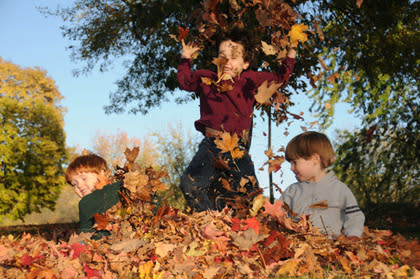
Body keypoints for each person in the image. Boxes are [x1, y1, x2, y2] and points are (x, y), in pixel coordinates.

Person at [178, 28, 297, 212]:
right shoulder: (207, 79)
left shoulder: (250, 80)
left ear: (245, 63)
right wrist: (186, 58)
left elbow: (281, 78)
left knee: (248, 197)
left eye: (234, 57)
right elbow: (185, 81)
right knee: (190, 184)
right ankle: (211, 220)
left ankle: (248, 227)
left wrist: (291, 51)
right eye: (222, 56)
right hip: (212, 145)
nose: (227, 62)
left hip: (237, 149)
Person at [280, 131, 365, 238]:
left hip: (329, 248)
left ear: (315, 159)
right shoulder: (292, 191)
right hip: (298, 247)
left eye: (295, 162)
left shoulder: (339, 189)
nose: (291, 168)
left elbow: (355, 216)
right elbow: (278, 216)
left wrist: (353, 235)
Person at [65, 152, 122, 239]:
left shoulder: (85, 203)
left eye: (84, 178)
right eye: (74, 184)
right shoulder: (119, 189)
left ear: (102, 174)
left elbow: (86, 236)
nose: (79, 186)